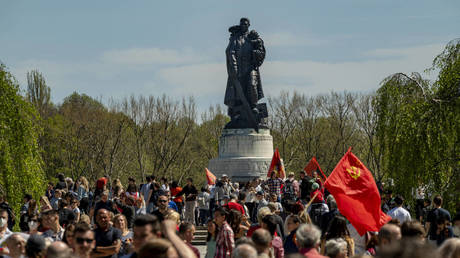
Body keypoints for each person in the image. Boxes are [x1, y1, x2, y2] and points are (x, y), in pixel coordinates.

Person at [224, 17, 266, 128]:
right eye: (242, 24)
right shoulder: (235, 38)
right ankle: (236, 115)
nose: (244, 26)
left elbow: (261, 52)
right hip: (238, 70)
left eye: (246, 24)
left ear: (249, 25)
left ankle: (253, 108)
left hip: (250, 68)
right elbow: (230, 51)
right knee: (237, 94)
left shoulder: (252, 37)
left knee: (252, 86)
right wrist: (234, 66)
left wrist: (256, 50)